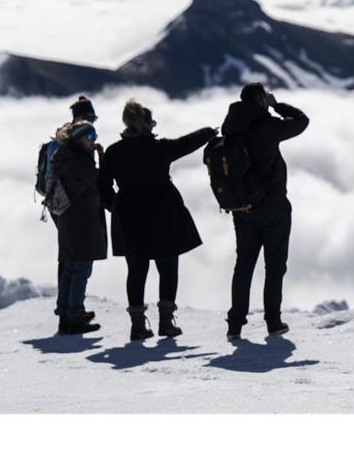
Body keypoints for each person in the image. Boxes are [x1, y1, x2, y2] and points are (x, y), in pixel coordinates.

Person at [97, 100, 216, 341]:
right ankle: (166, 322)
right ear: (147, 125)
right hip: (164, 215)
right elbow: (187, 143)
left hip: (130, 219)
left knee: (137, 271)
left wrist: (116, 208)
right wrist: (209, 132)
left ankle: (138, 326)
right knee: (168, 270)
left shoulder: (113, 152)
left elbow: (102, 187)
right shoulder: (160, 148)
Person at [222, 83, 309, 341]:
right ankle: (273, 321)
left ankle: (235, 324)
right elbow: (302, 121)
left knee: (244, 264)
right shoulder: (268, 126)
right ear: (260, 99)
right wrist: (276, 104)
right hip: (274, 208)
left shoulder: (231, 128)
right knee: (274, 266)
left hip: (243, 209)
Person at [50, 120, 108, 334]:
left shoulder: (64, 156)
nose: (94, 141)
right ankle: (75, 316)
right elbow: (100, 182)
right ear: (80, 138)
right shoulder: (80, 162)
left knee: (70, 268)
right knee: (81, 268)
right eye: (90, 137)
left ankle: (65, 315)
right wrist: (103, 159)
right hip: (82, 221)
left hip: (67, 219)